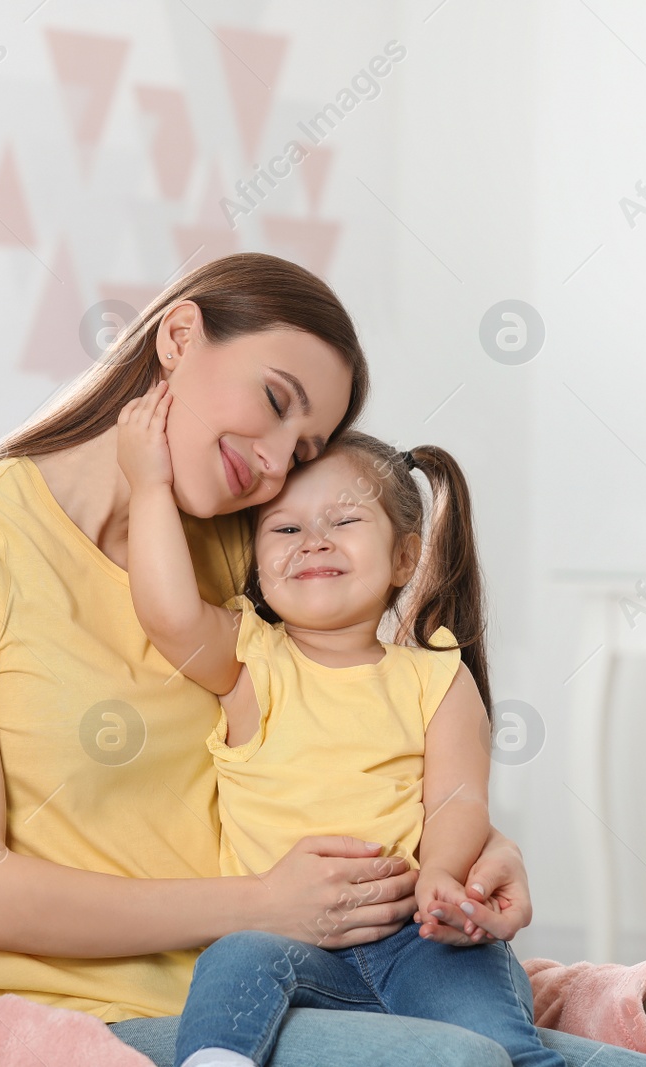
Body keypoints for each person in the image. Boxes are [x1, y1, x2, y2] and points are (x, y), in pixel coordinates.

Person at [0, 252, 646, 1066]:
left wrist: (480, 852)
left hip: (315, 975)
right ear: (179, 336)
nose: (278, 464)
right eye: (276, 400)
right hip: (97, 1015)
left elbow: (350, 732)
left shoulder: (246, 544)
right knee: (457, 1061)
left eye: (305, 443)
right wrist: (261, 904)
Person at [117, 385, 567, 1067]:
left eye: (344, 521)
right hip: (283, 939)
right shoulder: (249, 662)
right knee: (234, 959)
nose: (313, 541)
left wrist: (440, 880)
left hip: (415, 939)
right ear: (259, 567)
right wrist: (148, 484)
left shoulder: (436, 676)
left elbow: (457, 798)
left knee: (500, 1045)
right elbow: (171, 612)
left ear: (405, 559)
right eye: (286, 528)